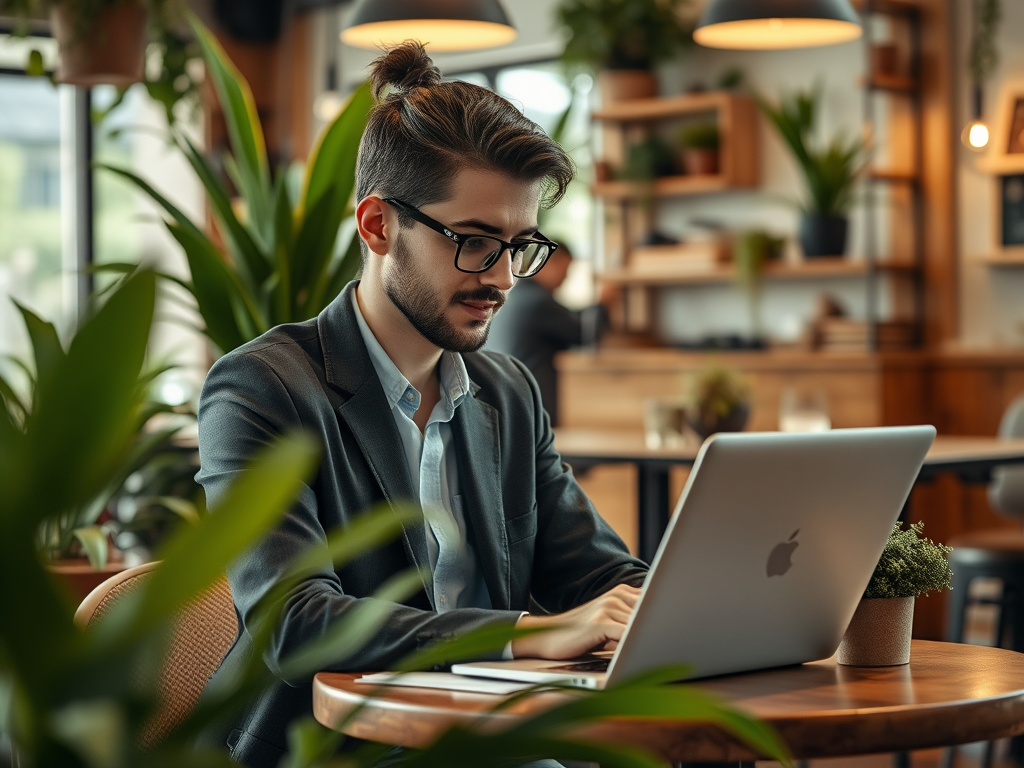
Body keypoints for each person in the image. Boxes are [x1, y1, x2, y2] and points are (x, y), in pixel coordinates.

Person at [195, 42, 647, 768]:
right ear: (378, 226)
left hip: (493, 744)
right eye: (473, 242)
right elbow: (296, 623)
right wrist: (528, 633)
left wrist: (683, 608)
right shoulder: (262, 389)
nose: (502, 278)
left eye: (519, 245)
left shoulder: (507, 393)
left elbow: (596, 574)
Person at [487, 244, 609, 426]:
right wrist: (603, 304)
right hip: (533, 410)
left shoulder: (519, 297)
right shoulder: (538, 302)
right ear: (548, 262)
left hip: (508, 404)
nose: (567, 277)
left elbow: (569, 316)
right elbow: (584, 333)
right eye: (565, 269)